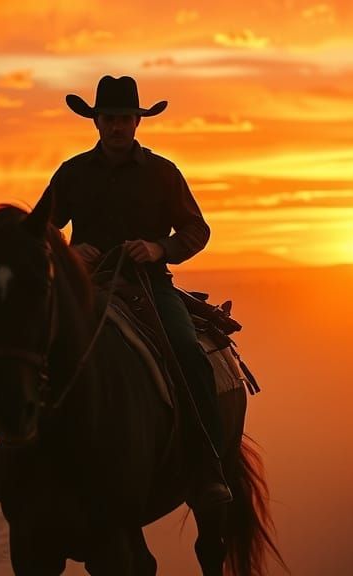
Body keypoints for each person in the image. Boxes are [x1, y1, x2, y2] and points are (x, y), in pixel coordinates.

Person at [35, 75, 231, 505]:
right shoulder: (71, 174)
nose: (117, 126)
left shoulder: (163, 173)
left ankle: (208, 465)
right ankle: (17, 461)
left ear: (138, 122)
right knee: (27, 352)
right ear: (96, 122)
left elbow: (197, 229)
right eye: (110, 118)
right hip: (86, 287)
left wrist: (159, 247)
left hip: (148, 286)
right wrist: (70, 253)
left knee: (188, 353)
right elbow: (40, 228)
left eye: (125, 118)